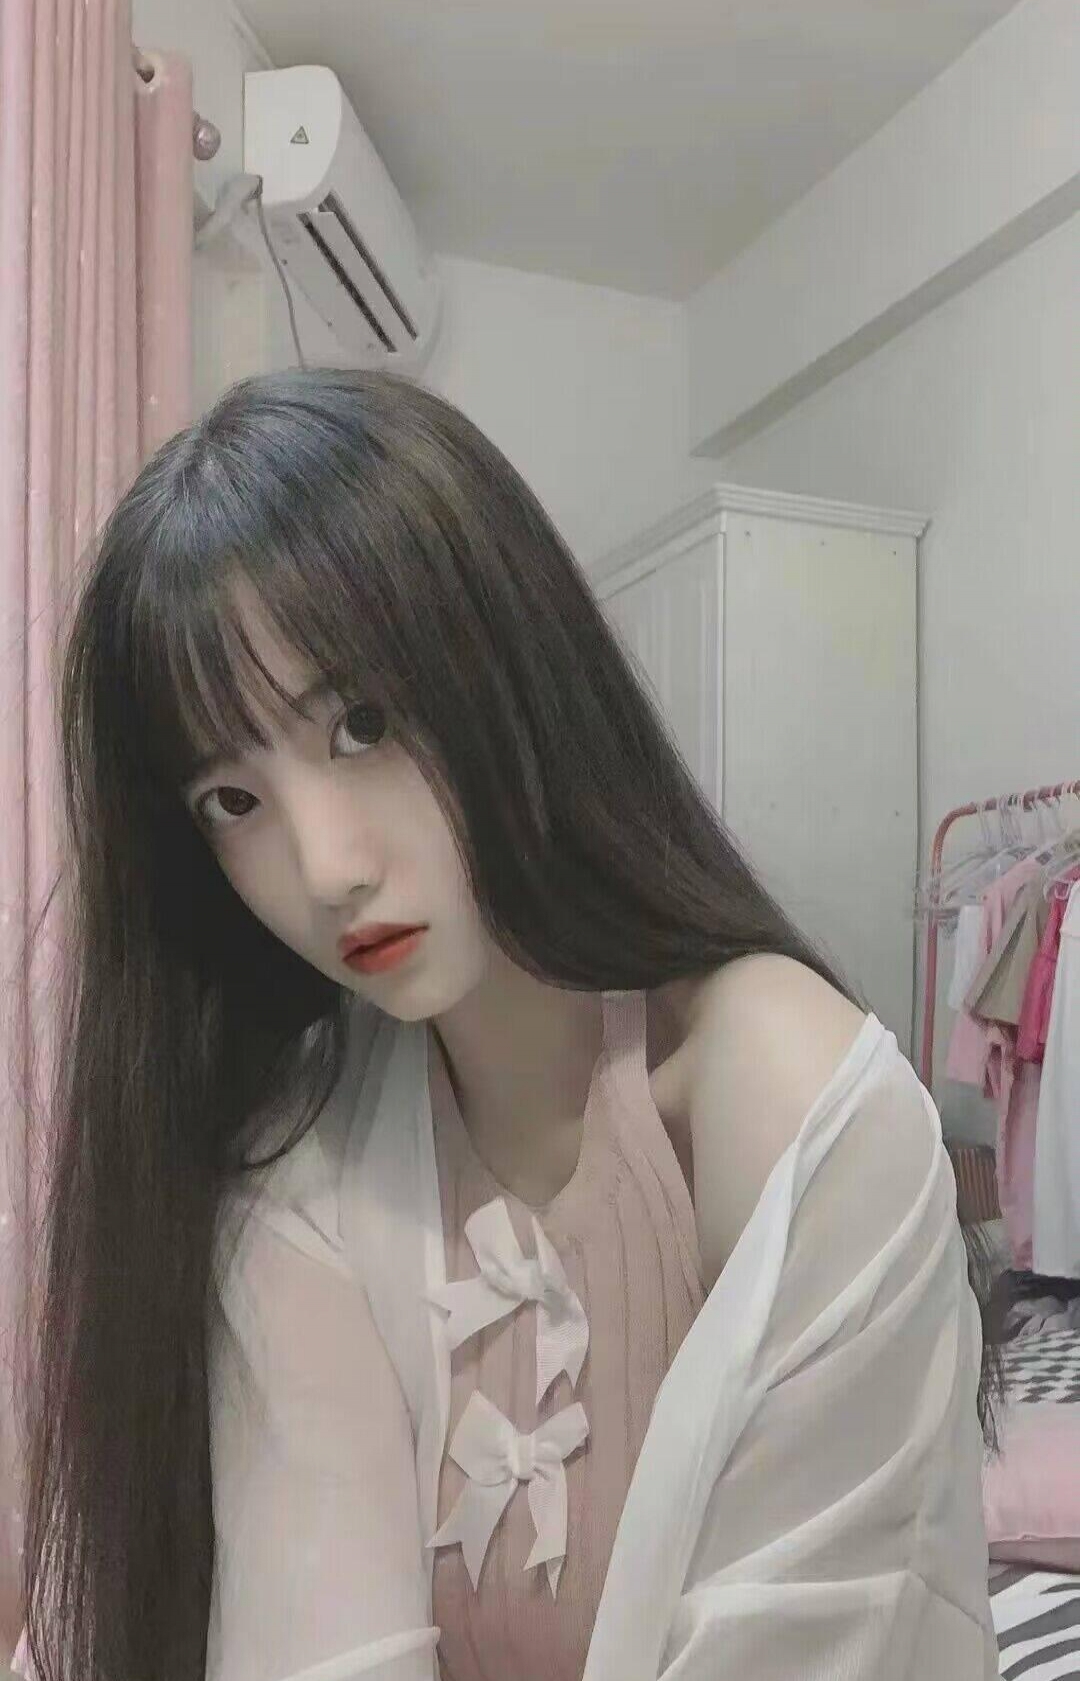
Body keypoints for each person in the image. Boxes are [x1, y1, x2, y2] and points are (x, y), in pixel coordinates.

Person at [17, 369, 999, 1681]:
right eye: (231, 802)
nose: (326, 866)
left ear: (512, 663)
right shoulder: (301, 1165)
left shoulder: (787, 1095)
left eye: (362, 724)